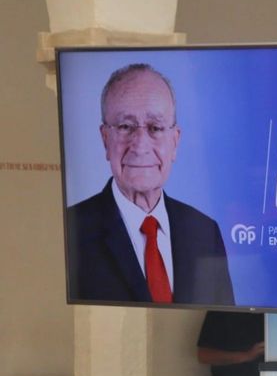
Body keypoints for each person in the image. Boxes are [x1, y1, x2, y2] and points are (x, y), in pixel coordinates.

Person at [66, 63, 234, 306]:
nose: (140, 145)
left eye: (155, 128)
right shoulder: (71, 231)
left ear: (175, 142)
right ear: (105, 139)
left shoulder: (205, 232)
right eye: (125, 127)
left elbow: (225, 325)